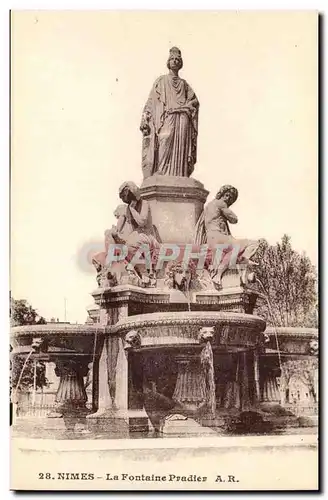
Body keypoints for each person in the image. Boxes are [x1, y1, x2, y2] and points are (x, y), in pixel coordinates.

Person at [140, 47, 199, 178]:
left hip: (182, 118)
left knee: (181, 148)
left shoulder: (184, 85)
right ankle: (161, 170)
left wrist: (187, 106)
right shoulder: (161, 81)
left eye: (178, 59)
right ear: (168, 62)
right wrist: (145, 118)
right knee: (164, 138)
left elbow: (194, 101)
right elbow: (151, 102)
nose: (175, 61)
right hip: (167, 116)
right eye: (172, 59)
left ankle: (180, 174)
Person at [195, 185, 259, 287]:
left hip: (212, 239)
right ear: (221, 194)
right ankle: (243, 260)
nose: (228, 198)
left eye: (231, 198)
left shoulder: (209, 206)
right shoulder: (220, 203)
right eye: (227, 195)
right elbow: (234, 219)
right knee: (253, 243)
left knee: (234, 251)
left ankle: (219, 275)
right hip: (219, 237)